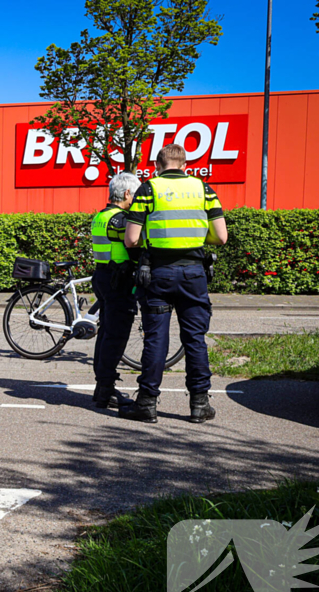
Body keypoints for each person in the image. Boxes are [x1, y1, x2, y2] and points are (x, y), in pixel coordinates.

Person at [119, 143, 228, 424]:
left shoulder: (148, 189)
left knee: (156, 339)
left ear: (157, 165)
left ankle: (147, 403)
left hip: (158, 274)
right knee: (195, 339)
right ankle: (200, 404)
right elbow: (221, 237)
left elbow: (131, 239)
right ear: (185, 165)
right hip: (194, 274)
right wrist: (196, 240)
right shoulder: (204, 189)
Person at [91, 172, 142, 409]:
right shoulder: (121, 219)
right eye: (136, 195)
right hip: (118, 280)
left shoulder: (101, 216)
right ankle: (106, 390)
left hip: (102, 276)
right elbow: (134, 245)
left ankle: (101, 386)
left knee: (105, 333)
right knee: (116, 336)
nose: (137, 200)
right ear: (127, 193)